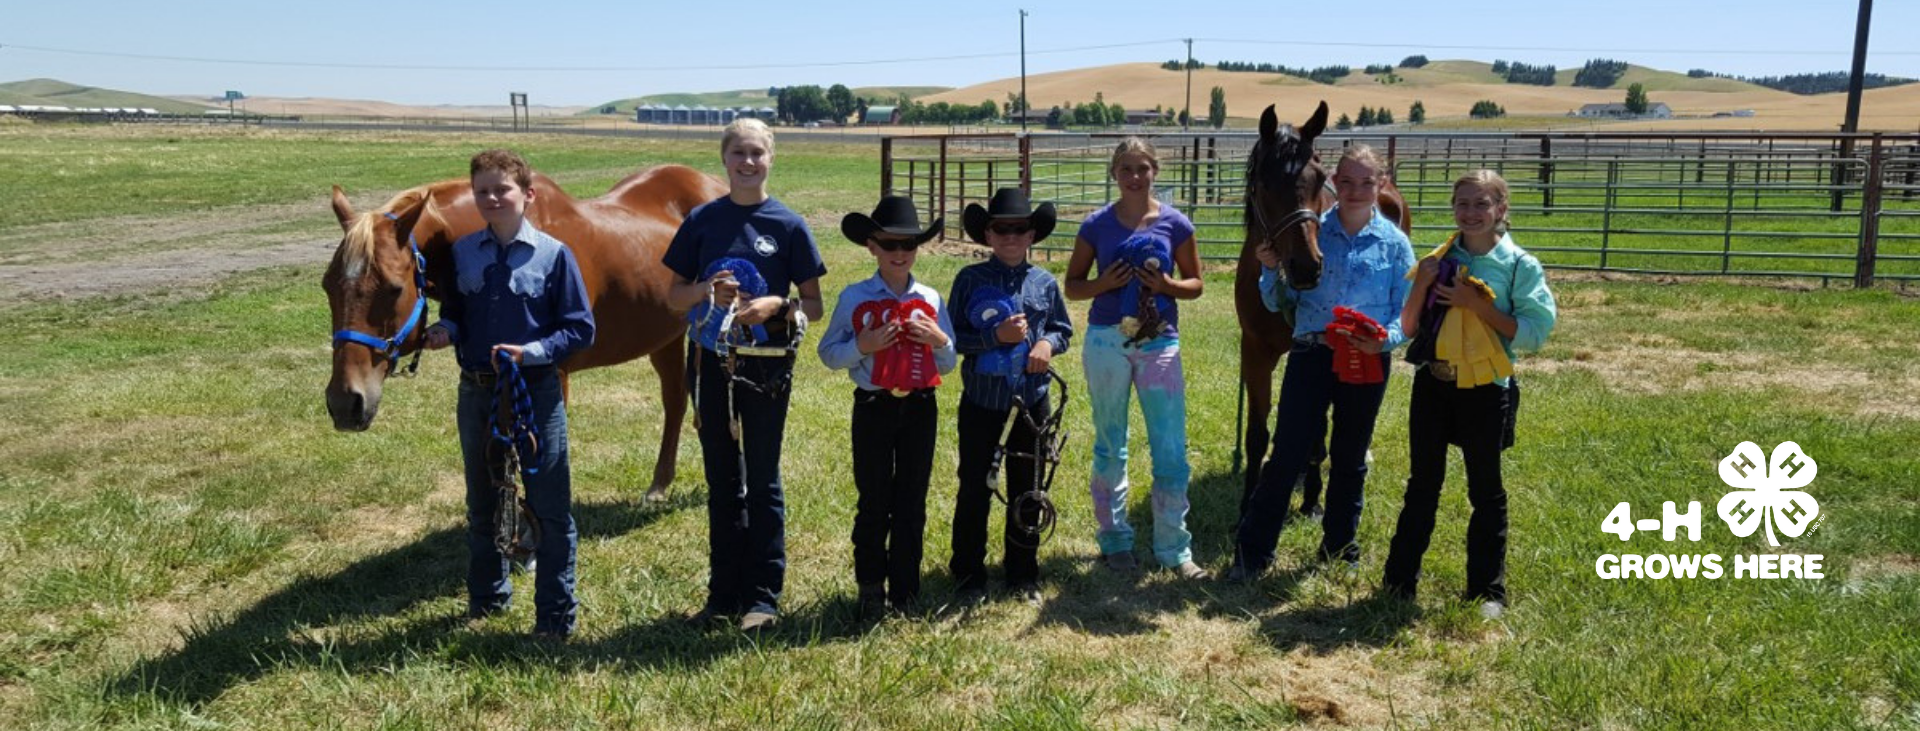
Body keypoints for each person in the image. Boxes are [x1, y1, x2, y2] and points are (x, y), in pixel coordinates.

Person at [423, 148, 596, 641]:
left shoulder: (553, 255)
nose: (492, 198)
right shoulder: (463, 253)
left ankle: (555, 617)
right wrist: (445, 331)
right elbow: (457, 311)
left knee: (549, 507)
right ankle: (488, 596)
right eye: (483, 191)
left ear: (528, 194)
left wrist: (533, 351)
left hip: (534, 394)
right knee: (482, 500)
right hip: (476, 392)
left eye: (503, 189)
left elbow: (580, 330)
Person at [664, 118, 826, 632]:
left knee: (762, 479)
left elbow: (815, 306)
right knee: (722, 480)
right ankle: (723, 595)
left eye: (757, 152)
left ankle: (763, 597)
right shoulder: (702, 221)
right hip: (712, 364)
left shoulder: (789, 225)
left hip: (766, 369)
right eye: (739, 153)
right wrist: (706, 291)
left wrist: (779, 304)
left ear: (771, 157)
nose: (748, 162)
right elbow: (673, 295)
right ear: (725, 159)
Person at [1230, 144, 1416, 583]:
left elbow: (1407, 315)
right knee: (1286, 454)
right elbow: (1279, 301)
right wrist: (1270, 271)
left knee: (1350, 459)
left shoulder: (1395, 245)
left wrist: (1383, 341)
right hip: (1312, 352)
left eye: (1365, 183)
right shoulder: (1312, 233)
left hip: (1367, 361)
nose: (1354, 191)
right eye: (1346, 182)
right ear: (1334, 181)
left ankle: (1340, 549)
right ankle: (1253, 551)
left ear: (1380, 185)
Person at [1382, 169, 1557, 619]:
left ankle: (1487, 591)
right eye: (1463, 203)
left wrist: (1478, 306)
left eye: (1483, 204)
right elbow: (1410, 326)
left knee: (1486, 489)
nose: (1472, 213)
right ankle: (1398, 581)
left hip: (1485, 389)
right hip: (1433, 384)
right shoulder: (1435, 261)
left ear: (1502, 210)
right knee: (1422, 484)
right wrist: (1422, 284)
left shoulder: (1520, 266)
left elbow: (1535, 333)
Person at [1061, 138, 1211, 581]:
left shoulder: (1176, 224)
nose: (1134, 177)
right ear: (1114, 173)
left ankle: (1173, 548)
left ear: (1154, 171)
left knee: (1169, 445)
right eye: (1126, 168)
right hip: (1107, 339)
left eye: (1142, 168)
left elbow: (1197, 283)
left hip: (1159, 341)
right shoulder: (1096, 226)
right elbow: (1072, 285)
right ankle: (1115, 539)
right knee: (1111, 442)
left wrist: (1166, 286)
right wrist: (1103, 282)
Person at [817, 196, 957, 617]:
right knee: (874, 497)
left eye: (908, 245)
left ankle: (907, 590)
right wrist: (863, 345)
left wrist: (939, 342)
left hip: (920, 407)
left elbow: (948, 363)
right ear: (872, 247)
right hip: (873, 406)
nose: (900, 254)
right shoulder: (854, 297)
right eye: (890, 245)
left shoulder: (931, 299)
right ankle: (870, 587)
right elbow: (828, 352)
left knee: (913, 498)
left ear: (918, 249)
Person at [948, 187, 1073, 606]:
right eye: (1002, 229)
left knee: (1028, 486)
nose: (1011, 236)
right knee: (974, 486)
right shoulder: (969, 280)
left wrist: (1047, 346)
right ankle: (968, 574)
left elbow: (1061, 329)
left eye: (1019, 229)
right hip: (983, 401)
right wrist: (992, 337)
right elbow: (951, 339)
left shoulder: (1044, 282)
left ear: (1032, 235)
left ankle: (1022, 572)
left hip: (1032, 402)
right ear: (987, 234)